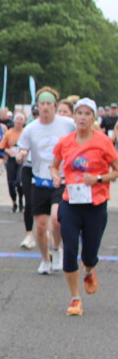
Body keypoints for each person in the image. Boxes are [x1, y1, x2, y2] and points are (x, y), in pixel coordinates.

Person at [50, 98, 118, 316]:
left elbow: (116, 171)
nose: (82, 118)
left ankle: (89, 269)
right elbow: (54, 166)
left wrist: (98, 178)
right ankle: (75, 298)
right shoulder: (65, 142)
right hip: (70, 203)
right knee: (70, 250)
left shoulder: (103, 142)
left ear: (94, 118)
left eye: (87, 114)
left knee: (89, 254)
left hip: (95, 205)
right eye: (79, 113)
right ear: (74, 116)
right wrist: (55, 177)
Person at [17, 87, 75, 274]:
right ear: (37, 106)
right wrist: (21, 155)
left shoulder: (68, 124)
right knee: (41, 227)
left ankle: (57, 249)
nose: (45, 107)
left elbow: (83, 136)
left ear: (55, 106)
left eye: (49, 103)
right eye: (42, 104)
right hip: (40, 180)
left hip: (61, 179)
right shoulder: (30, 129)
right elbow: (22, 150)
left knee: (57, 219)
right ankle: (45, 259)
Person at [1, 113, 28, 215]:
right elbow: (1, 147)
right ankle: (14, 202)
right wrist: (8, 150)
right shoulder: (9, 133)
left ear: (24, 122)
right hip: (11, 160)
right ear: (14, 121)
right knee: (11, 183)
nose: (19, 122)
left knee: (19, 182)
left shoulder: (26, 132)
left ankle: (21, 199)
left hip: (22, 160)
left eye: (21, 119)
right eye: (17, 119)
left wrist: (23, 152)